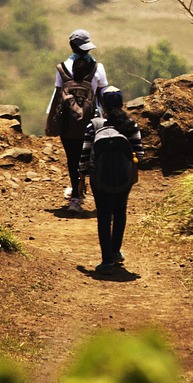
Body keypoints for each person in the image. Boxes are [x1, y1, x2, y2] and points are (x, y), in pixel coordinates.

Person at [78, 87, 143, 273]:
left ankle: (106, 261)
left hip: (99, 179)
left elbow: (84, 155)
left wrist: (81, 178)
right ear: (122, 103)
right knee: (120, 211)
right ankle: (116, 252)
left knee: (104, 216)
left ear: (103, 105)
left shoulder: (94, 125)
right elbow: (139, 153)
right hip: (124, 179)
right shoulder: (130, 125)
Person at [45, 28, 108, 212]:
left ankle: (75, 199)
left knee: (72, 158)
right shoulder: (98, 68)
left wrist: (50, 122)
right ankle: (98, 196)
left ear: (72, 47)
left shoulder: (62, 68)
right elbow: (102, 95)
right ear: (88, 48)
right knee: (93, 157)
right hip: (93, 121)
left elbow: (57, 96)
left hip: (68, 122)